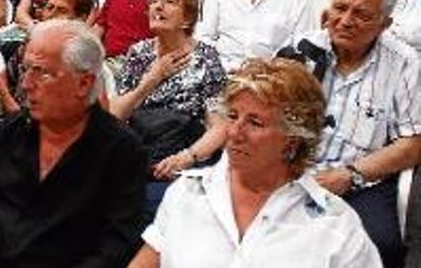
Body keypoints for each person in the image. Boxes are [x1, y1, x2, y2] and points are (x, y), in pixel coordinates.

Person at [127, 58, 383, 268]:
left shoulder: (334, 226)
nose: (235, 132)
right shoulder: (189, 193)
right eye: (233, 116)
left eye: (255, 122)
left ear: (293, 140)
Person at [0, 19, 148, 267]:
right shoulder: (11, 131)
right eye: (26, 70)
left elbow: (115, 247)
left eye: (42, 72)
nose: (25, 84)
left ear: (83, 83)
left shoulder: (122, 152)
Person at [278, 0, 421, 268]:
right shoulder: (301, 49)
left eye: (361, 14)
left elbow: (413, 143)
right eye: (340, 8)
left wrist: (350, 175)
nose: (345, 21)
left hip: (361, 180)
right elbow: (264, 109)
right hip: (291, 171)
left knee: (377, 245)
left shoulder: (405, 63)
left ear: (385, 25)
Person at [109, 0, 227, 218]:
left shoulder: (206, 58)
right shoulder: (138, 54)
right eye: (154, 1)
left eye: (169, 1)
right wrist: (151, 80)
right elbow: (114, 115)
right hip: (139, 151)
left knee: (150, 207)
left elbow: (219, 127)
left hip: (182, 153)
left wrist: (187, 158)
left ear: (187, 19)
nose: (158, 6)